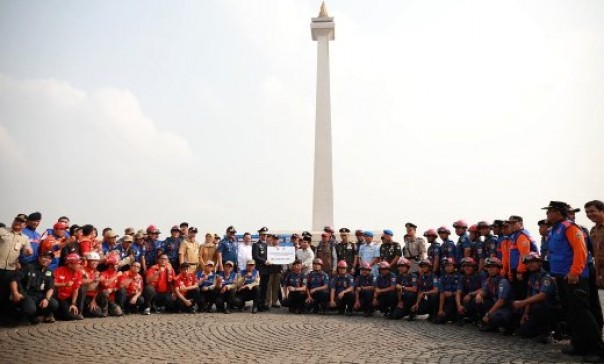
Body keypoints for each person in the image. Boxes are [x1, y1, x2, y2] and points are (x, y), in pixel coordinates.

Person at [543, 201, 604, 362]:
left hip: (574, 277)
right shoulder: (555, 229)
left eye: (549, 211)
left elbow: (581, 251)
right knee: (571, 313)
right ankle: (579, 345)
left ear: (558, 212)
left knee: (582, 313)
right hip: (561, 277)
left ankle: (597, 349)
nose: (547, 214)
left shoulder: (570, 228)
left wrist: (574, 272)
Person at [512, 252, 561, 344]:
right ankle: (540, 329)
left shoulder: (546, 276)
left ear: (539, 262)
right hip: (537, 310)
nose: (530, 264)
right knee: (523, 332)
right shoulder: (531, 277)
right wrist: (525, 313)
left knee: (539, 307)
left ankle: (549, 333)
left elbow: (542, 296)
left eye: (533, 262)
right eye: (527, 263)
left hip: (551, 308)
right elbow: (529, 295)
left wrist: (522, 303)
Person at [8, 251, 58, 324]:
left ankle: (37, 315)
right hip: (27, 295)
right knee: (29, 309)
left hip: (40, 296)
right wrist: (15, 293)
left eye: (49, 258)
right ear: (39, 258)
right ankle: (23, 316)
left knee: (54, 304)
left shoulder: (49, 271)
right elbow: (14, 280)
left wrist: (46, 299)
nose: (47, 260)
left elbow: (51, 288)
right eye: (45, 257)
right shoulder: (29, 267)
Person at [0, 214, 33, 318]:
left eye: (21, 221)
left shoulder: (25, 238)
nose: (18, 222)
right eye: (16, 220)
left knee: (3, 295)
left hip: (10, 270)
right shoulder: (2, 231)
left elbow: (28, 250)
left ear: (25, 225)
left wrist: (29, 252)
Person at [475, 257, 514, 333]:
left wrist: (488, 314)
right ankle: (487, 322)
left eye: (493, 267)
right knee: (478, 301)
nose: (490, 269)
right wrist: (478, 295)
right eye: (489, 267)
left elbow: (501, 301)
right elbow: (483, 291)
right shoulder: (489, 280)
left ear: (499, 269)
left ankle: (500, 326)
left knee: (495, 318)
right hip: (496, 305)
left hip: (505, 308)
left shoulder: (503, 281)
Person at [506, 215, 534, 300]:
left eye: (514, 223)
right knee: (517, 294)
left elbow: (524, 254)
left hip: (523, 271)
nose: (511, 225)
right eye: (510, 223)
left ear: (521, 223)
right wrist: (511, 272)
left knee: (522, 294)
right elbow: (512, 255)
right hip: (516, 271)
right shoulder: (515, 236)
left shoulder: (522, 235)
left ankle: (524, 312)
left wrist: (520, 271)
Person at [54, 253, 84, 320]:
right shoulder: (59, 270)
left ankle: (79, 311)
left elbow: (76, 290)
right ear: (70, 265)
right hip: (60, 298)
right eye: (78, 263)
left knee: (81, 289)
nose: (80, 265)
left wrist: (73, 303)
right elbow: (53, 284)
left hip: (70, 298)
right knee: (69, 316)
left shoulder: (79, 273)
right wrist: (64, 284)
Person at [456, 257, 484, 325]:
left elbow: (484, 288)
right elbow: (458, 292)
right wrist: (459, 305)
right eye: (465, 266)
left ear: (474, 267)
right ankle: (470, 317)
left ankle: (481, 319)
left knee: (477, 300)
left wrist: (471, 294)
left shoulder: (481, 275)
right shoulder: (463, 278)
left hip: (480, 297)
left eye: (469, 266)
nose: (467, 268)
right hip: (468, 299)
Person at [434, 258, 460, 324]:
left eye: (450, 265)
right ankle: (437, 314)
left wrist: (452, 293)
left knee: (451, 300)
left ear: (454, 267)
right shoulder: (442, 278)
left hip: (457, 299)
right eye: (446, 266)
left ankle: (455, 317)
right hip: (445, 299)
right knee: (435, 297)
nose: (448, 267)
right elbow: (442, 293)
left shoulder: (460, 277)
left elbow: (462, 292)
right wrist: (440, 310)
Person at [585, 200, 604, 288]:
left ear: (602, 211)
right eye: (587, 212)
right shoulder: (592, 230)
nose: (589, 214)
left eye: (592, 211)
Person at [252, 227, 270, 312]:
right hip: (260, 269)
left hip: (267, 270)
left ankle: (262, 304)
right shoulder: (256, 245)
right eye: (263, 234)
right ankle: (257, 305)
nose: (264, 236)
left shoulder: (268, 245)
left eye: (266, 234)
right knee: (259, 287)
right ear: (259, 235)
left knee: (265, 288)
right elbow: (255, 256)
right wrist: (264, 261)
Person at [81, 252, 103, 317]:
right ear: (88, 261)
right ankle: (81, 311)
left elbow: (98, 288)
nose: (94, 263)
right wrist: (93, 280)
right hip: (83, 295)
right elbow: (81, 282)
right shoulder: (82, 270)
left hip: (93, 297)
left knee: (98, 313)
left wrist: (94, 300)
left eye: (96, 261)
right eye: (92, 261)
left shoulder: (97, 272)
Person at [265, 234, 283, 309]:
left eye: (277, 239)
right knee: (268, 286)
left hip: (278, 269)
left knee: (276, 286)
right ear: (272, 240)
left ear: (279, 240)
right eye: (274, 239)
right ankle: (267, 302)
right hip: (269, 270)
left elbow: (284, 259)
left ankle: (274, 302)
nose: (275, 240)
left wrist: (283, 269)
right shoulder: (268, 248)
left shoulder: (281, 249)